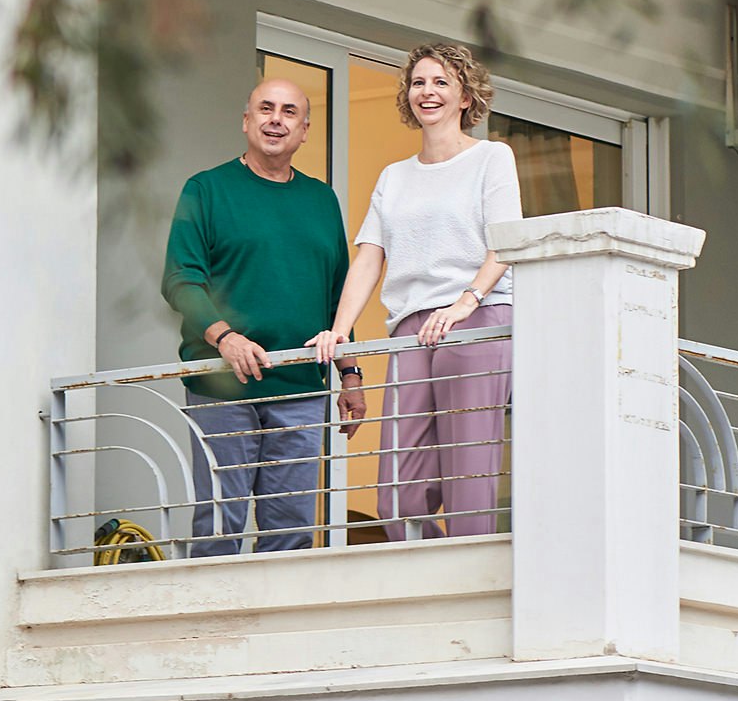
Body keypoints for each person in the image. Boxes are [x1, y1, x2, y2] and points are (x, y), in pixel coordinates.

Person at [310, 42, 521, 540]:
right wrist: (339, 332)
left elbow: (506, 243)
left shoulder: (492, 158)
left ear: (466, 95)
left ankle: (469, 582)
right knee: (399, 484)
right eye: (419, 82)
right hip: (411, 326)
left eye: (442, 82)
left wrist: (466, 301)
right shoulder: (394, 176)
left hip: (477, 316)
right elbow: (369, 257)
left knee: (468, 468)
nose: (428, 92)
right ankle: (424, 572)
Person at [162, 78, 366, 555]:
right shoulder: (207, 190)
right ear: (246, 120)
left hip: (300, 389)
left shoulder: (321, 201)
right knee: (219, 524)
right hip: (222, 385)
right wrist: (225, 337)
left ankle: (278, 631)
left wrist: (351, 373)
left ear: (305, 130)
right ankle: (213, 628)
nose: (277, 119)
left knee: (291, 532)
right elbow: (180, 279)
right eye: (266, 108)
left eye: (289, 112)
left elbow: (338, 296)